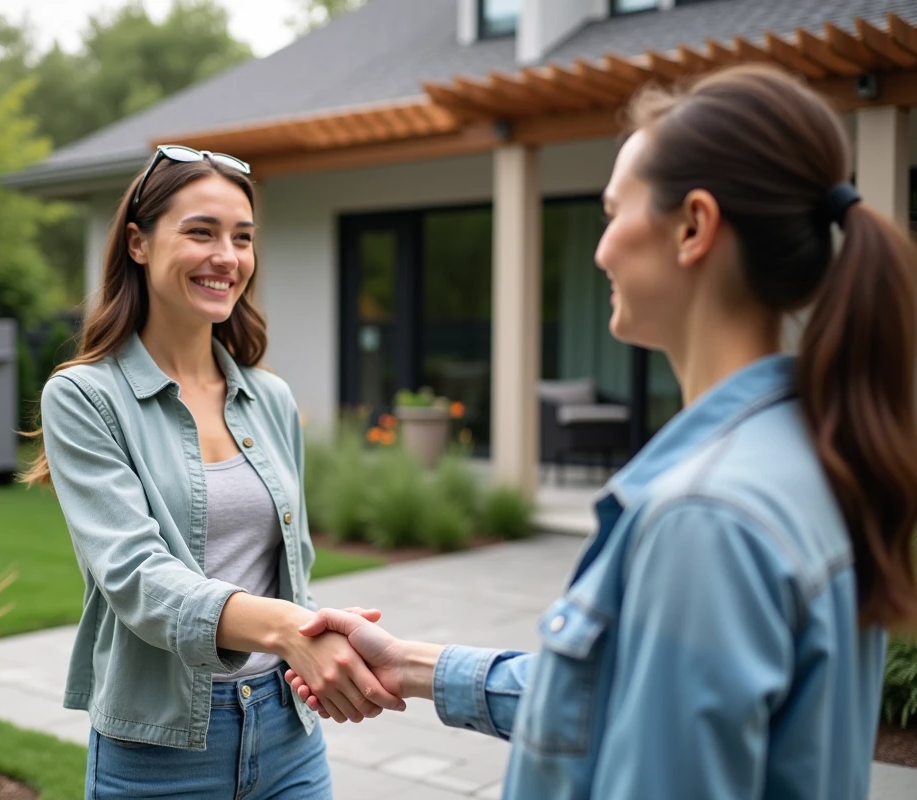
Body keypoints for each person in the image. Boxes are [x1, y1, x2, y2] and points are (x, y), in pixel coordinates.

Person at [287, 63, 917, 799]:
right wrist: (412, 665)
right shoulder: (810, 453)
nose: (600, 249)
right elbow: (627, 697)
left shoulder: (704, 516)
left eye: (614, 213)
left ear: (693, 227)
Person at [22, 144, 404, 800]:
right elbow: (137, 577)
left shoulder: (269, 397)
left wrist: (319, 632)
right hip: (160, 752)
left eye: (242, 237)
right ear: (138, 243)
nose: (227, 256)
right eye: (201, 232)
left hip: (288, 732)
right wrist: (289, 629)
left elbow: (286, 566)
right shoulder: (84, 397)